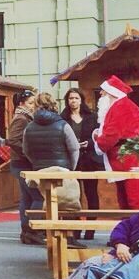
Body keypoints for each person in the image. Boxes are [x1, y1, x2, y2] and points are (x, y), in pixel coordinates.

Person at [93, 75, 139, 211]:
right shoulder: (120, 106)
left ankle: (137, 231)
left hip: (127, 159)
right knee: (125, 199)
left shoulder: (120, 107)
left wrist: (97, 140)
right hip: (124, 158)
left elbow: (112, 135)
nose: (100, 94)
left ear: (111, 93)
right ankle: (130, 229)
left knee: (133, 200)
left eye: (103, 91)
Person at [61, 88, 101, 241]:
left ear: (81, 100)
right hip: (72, 161)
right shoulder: (63, 118)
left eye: (76, 98)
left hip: (89, 160)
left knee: (91, 194)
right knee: (73, 196)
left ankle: (91, 229)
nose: (73, 101)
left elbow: (98, 136)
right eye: (71, 98)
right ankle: (75, 229)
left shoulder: (92, 117)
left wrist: (88, 143)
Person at [7, 88, 43, 244]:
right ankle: (32, 229)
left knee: (27, 197)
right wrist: (28, 153)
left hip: (20, 162)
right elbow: (13, 140)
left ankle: (27, 230)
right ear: (22, 103)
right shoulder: (21, 118)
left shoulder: (25, 116)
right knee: (36, 196)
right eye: (30, 103)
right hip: (22, 163)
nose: (32, 106)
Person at [22, 93, 79, 171]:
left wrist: (37, 163)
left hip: (39, 171)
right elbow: (74, 149)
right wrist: (71, 167)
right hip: (61, 171)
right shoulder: (64, 125)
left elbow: (26, 150)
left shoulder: (28, 128)